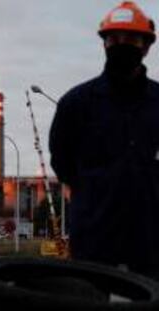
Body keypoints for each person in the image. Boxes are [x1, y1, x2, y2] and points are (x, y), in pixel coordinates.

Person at [49, 1, 159, 280]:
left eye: (132, 39)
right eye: (114, 39)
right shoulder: (76, 103)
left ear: (146, 46)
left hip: (151, 230)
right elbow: (61, 160)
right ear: (104, 44)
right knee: (89, 299)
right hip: (94, 230)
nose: (122, 45)